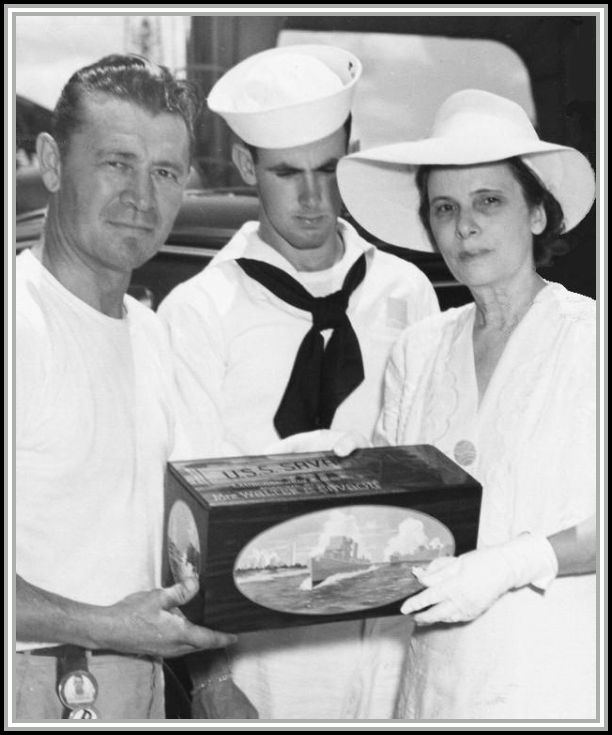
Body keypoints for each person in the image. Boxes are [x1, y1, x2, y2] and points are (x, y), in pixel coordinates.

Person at [158, 45, 440, 720]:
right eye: (288, 173)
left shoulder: (407, 292)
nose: (313, 198)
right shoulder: (197, 313)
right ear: (246, 165)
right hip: (258, 657)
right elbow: (178, 524)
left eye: (328, 169)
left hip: (391, 647)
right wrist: (211, 682)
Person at [336, 88, 597, 719]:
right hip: (434, 688)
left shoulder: (590, 339)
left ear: (537, 214)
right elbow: (392, 525)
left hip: (557, 685)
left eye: (489, 201)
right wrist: (344, 496)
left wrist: (513, 562)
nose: (465, 226)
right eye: (445, 208)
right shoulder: (418, 349)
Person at [15, 54, 236, 721]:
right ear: (52, 163)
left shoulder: (154, 334)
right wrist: (109, 625)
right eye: (117, 162)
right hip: (34, 682)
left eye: (164, 172)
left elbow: (187, 544)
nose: (142, 196)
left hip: (140, 686)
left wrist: (214, 681)